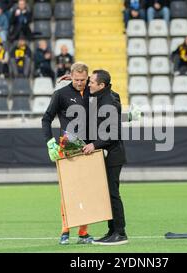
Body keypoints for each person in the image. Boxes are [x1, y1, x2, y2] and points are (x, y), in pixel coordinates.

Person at [41, 62, 94, 246]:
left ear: (88, 78)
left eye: (83, 80)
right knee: (68, 192)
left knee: (87, 192)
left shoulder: (92, 92)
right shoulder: (61, 94)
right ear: (70, 76)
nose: (80, 83)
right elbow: (46, 119)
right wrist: (50, 143)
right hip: (67, 149)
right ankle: (65, 230)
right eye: (77, 79)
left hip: (88, 149)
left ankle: (83, 233)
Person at [84, 70, 128, 246]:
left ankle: (120, 232)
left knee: (113, 194)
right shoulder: (106, 96)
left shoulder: (108, 102)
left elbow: (114, 134)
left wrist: (94, 145)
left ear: (101, 85)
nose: (89, 85)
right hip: (109, 154)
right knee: (108, 195)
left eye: (91, 82)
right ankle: (112, 230)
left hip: (113, 154)